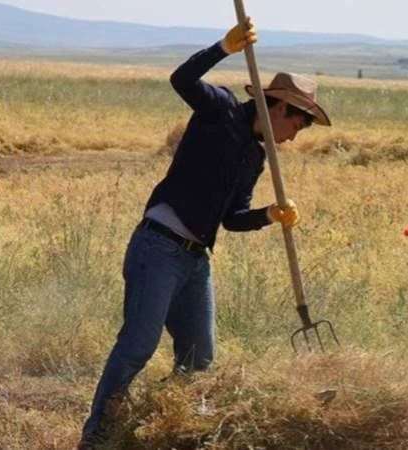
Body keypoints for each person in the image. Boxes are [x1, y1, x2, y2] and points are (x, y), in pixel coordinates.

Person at [78, 17, 331, 448]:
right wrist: (222, 48)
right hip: (158, 245)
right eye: (297, 125)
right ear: (279, 108)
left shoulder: (255, 157)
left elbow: (232, 218)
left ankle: (165, 430)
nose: (293, 137)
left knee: (199, 361)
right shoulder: (221, 110)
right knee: (138, 345)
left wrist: (269, 214)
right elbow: (181, 79)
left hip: (196, 260)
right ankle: (97, 434)